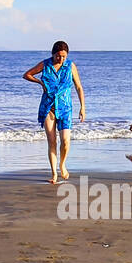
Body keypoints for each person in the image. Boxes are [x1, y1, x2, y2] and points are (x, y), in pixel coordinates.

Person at [23, 40, 86, 184]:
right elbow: (27, 75)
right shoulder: (45, 64)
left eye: (64, 56)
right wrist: (40, 82)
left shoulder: (70, 66)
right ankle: (54, 173)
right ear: (53, 54)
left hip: (65, 108)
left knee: (65, 140)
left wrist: (83, 107)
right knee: (52, 142)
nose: (61, 59)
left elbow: (79, 87)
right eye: (58, 56)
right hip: (48, 107)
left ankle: (62, 164)